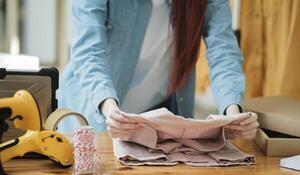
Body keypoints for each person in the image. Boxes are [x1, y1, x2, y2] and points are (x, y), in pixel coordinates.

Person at [59, 0, 259, 139]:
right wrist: (111, 112)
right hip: (93, 114)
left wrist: (233, 114)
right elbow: (88, 52)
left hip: (155, 120)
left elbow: (222, 49)